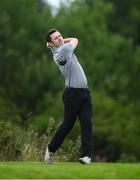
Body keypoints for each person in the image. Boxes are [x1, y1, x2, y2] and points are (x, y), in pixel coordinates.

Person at [44, 29, 93, 164]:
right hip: (72, 95)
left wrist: (51, 45)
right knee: (67, 125)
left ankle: (87, 156)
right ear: (51, 43)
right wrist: (64, 40)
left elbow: (58, 45)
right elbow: (75, 39)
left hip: (84, 93)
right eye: (56, 38)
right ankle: (50, 149)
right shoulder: (64, 50)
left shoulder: (55, 50)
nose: (59, 38)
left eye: (59, 36)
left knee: (86, 123)